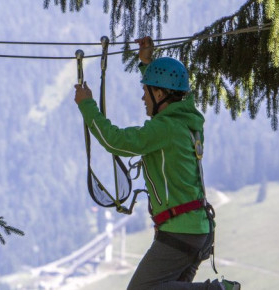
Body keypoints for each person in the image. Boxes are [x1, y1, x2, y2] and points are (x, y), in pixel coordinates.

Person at [73, 37, 240, 290]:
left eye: (146, 91)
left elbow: (113, 141)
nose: (143, 98)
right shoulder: (187, 118)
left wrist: (86, 104)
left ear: (160, 93)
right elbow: (178, 92)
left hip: (180, 231)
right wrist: (146, 64)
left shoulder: (164, 129)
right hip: (198, 230)